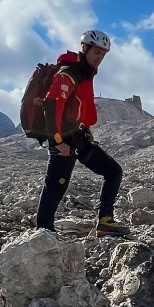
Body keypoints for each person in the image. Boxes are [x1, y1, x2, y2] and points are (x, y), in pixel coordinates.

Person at [35, 29, 130, 237]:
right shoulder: (69, 72)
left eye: (103, 55)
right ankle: (43, 234)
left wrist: (86, 132)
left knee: (113, 171)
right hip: (63, 139)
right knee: (56, 186)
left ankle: (105, 221)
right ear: (85, 48)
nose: (100, 58)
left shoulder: (85, 72)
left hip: (79, 137)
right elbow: (52, 105)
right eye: (97, 53)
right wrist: (57, 140)